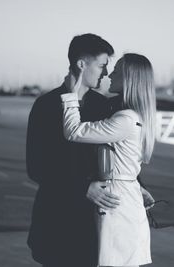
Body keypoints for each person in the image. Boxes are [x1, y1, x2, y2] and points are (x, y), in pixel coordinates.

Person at [26, 34, 154, 267]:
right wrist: (82, 188)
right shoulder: (45, 106)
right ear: (81, 64)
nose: (106, 73)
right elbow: (36, 167)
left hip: (97, 221)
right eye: (103, 66)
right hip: (58, 220)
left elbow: (119, 153)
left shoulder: (105, 106)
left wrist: (138, 186)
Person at [61, 53, 156, 267]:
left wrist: (71, 94)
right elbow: (125, 160)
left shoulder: (125, 119)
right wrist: (137, 187)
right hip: (127, 194)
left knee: (112, 261)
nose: (110, 74)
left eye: (117, 70)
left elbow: (74, 132)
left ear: (130, 78)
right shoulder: (138, 116)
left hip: (117, 202)